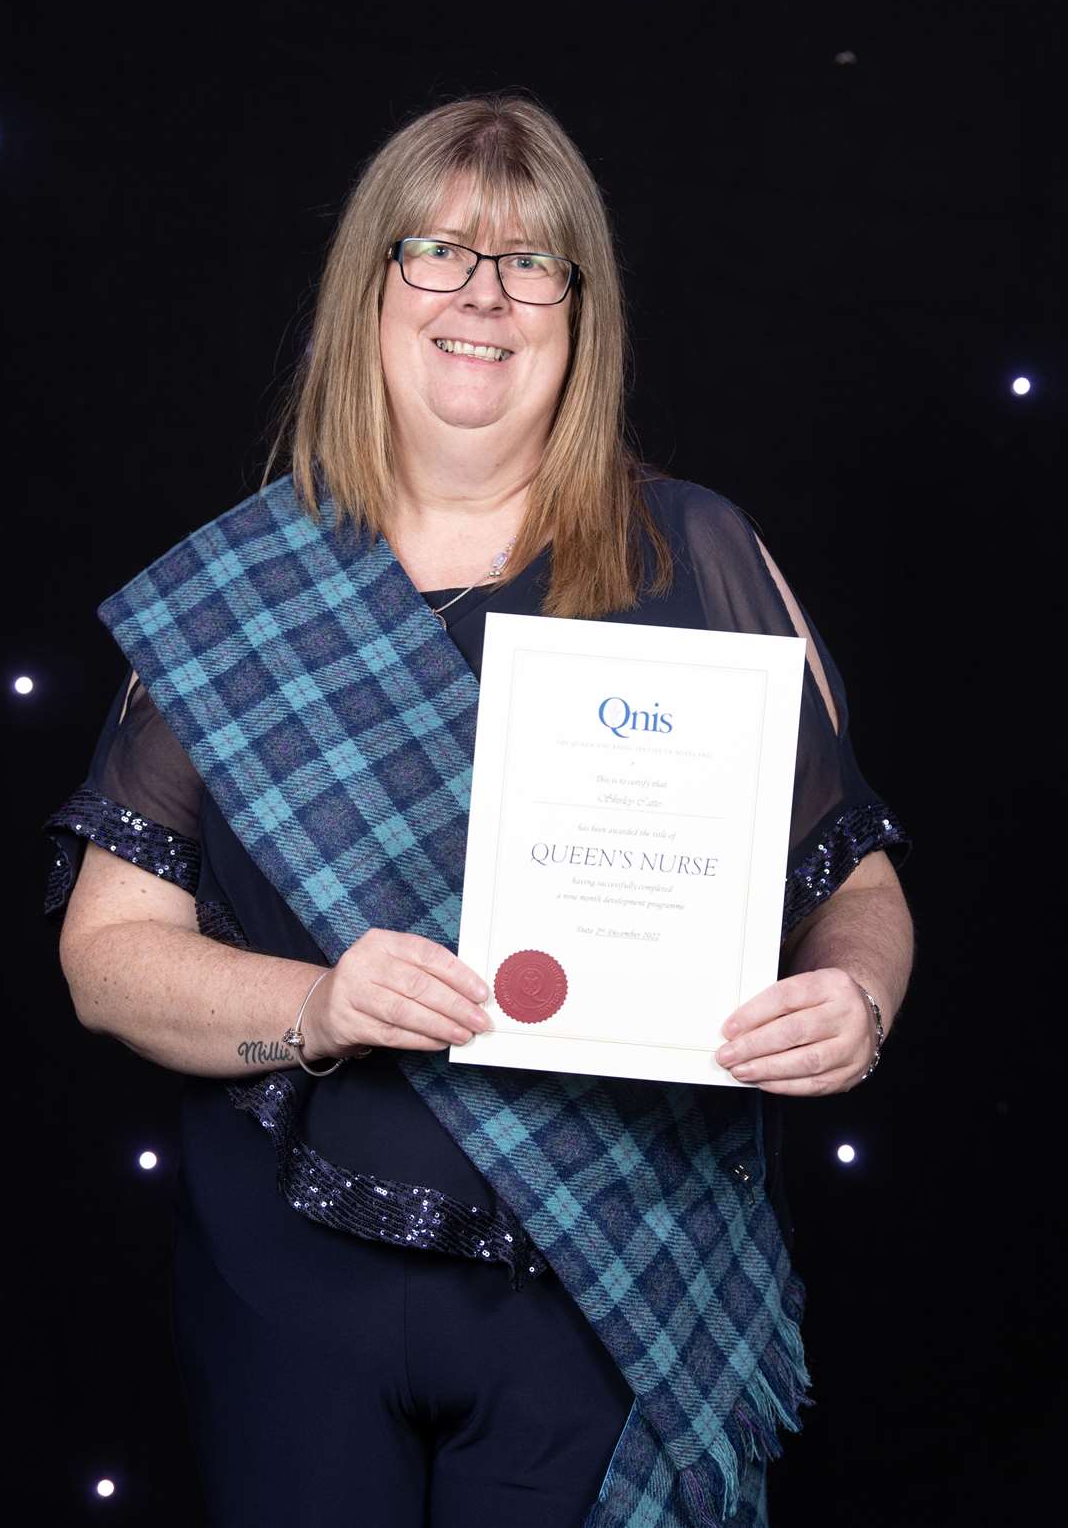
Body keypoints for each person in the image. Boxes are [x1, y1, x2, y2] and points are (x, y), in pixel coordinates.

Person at [44, 94, 913, 1528]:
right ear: (371, 291)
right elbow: (106, 957)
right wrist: (324, 1003)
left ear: (581, 310)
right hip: (290, 1291)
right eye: (437, 251)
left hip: (608, 1288)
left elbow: (855, 886)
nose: (483, 297)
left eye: (532, 263)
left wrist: (854, 999)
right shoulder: (237, 596)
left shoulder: (694, 548)